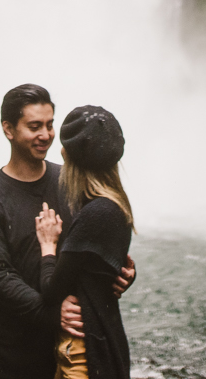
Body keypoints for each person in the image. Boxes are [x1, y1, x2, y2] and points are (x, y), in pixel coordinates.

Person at [0, 85, 134, 379]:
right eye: (34, 127)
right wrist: (50, 312)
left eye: (49, 125)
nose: (45, 135)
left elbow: (93, 245)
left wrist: (118, 273)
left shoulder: (69, 178)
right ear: (8, 129)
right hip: (4, 353)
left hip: (61, 352)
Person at [35, 105, 133, 379]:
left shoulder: (95, 215)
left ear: (71, 159)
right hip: (99, 338)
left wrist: (47, 244)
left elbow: (52, 293)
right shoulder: (116, 206)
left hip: (83, 352)